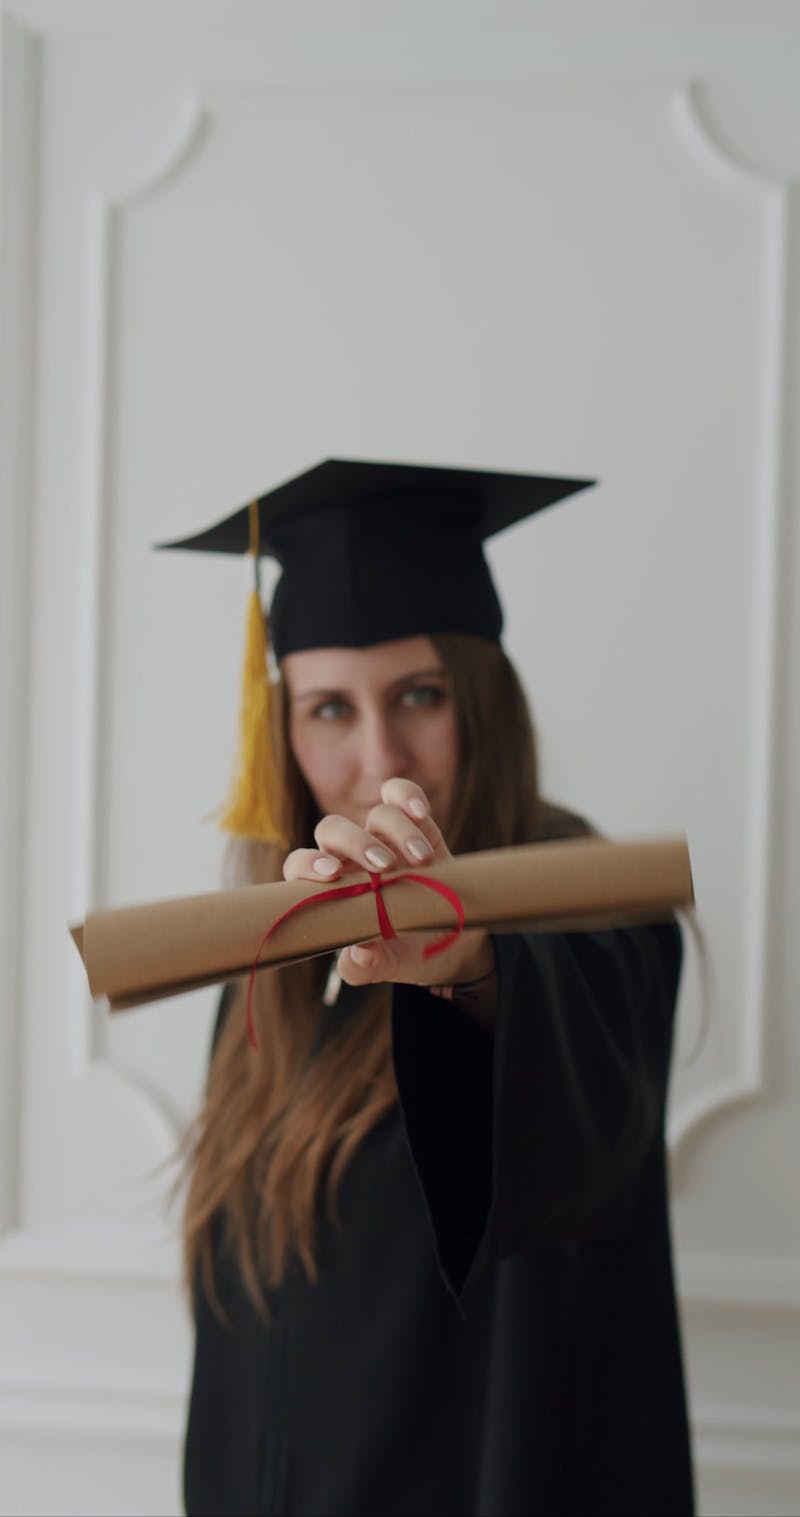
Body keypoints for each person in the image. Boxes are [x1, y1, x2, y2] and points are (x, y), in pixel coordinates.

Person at [163, 459, 695, 1516]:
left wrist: (465, 968)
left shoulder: (581, 909)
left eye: (418, 694)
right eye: (326, 708)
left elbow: (573, 1111)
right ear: (282, 735)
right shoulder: (276, 957)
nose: (377, 756)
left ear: (480, 698)